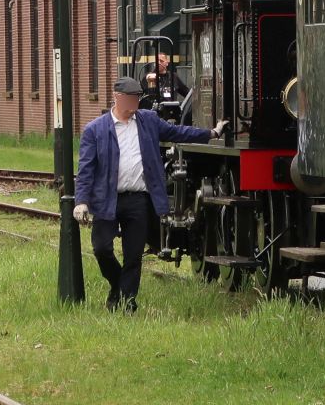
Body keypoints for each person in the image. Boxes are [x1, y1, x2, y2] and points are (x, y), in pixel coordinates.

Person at [74, 76, 223, 311]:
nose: (135, 103)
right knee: (102, 248)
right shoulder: (95, 130)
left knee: (134, 255)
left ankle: (127, 303)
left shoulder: (149, 121)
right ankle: (118, 285)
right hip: (107, 200)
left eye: (137, 99)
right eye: (131, 99)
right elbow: (85, 170)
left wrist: (211, 133)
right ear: (118, 97)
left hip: (138, 199)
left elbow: (178, 132)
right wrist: (81, 201)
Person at [142, 51, 192, 122]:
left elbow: (187, 93)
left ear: (167, 63)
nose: (158, 63)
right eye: (157, 61)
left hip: (170, 114)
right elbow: (142, 95)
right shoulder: (148, 77)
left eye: (161, 61)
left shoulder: (173, 77)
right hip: (154, 113)